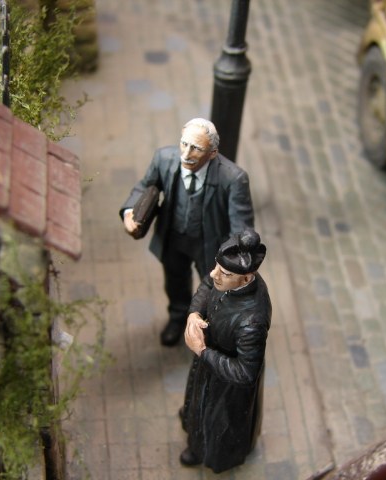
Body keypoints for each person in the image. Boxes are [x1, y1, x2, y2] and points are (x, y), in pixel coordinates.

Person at [119, 118, 254, 346]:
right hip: (174, 237)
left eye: (196, 148)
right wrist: (130, 212)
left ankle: (210, 328)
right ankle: (177, 317)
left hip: (210, 245)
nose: (186, 153)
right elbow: (145, 186)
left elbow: (241, 226)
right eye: (184, 144)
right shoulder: (164, 159)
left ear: (212, 153)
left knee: (213, 289)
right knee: (175, 281)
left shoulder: (233, 178)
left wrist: (233, 262)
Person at [179, 229, 271, 473]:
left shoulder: (252, 322)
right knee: (197, 403)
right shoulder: (226, 276)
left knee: (218, 424)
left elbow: (245, 373)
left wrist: (203, 351)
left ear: (246, 278)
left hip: (227, 387)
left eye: (224, 273)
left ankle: (204, 451)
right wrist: (194, 313)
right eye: (217, 267)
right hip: (209, 361)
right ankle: (194, 433)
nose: (214, 274)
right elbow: (207, 284)